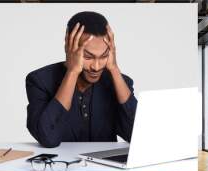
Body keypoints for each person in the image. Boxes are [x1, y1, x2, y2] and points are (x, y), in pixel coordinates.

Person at [26, 11, 137, 148]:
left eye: (103, 56)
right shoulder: (40, 81)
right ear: (68, 45)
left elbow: (139, 136)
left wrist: (114, 69)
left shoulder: (120, 83)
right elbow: (48, 138)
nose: (96, 67)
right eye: (88, 57)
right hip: (61, 167)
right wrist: (72, 72)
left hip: (104, 168)